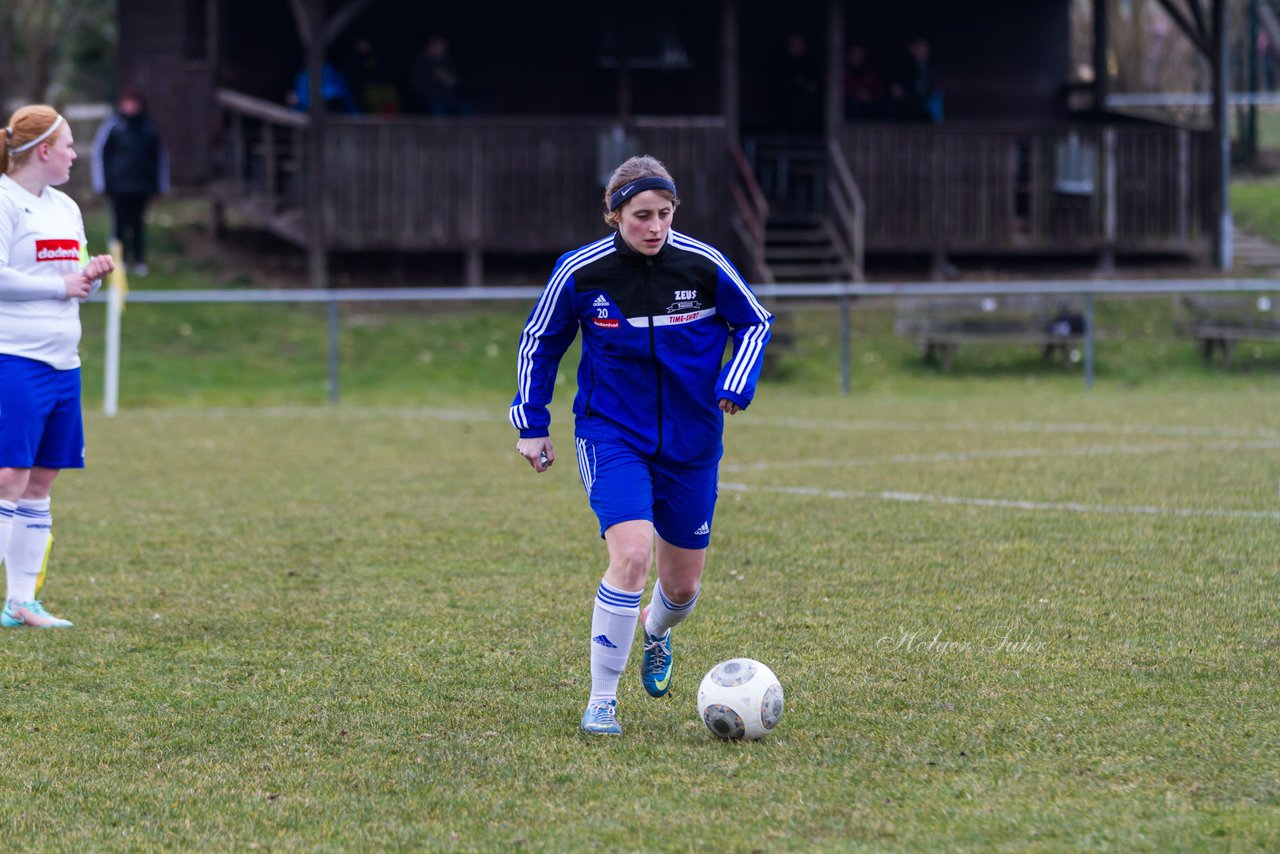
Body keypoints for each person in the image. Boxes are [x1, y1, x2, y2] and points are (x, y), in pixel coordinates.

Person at [509, 155, 773, 735]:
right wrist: (530, 423)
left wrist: (737, 379)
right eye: (641, 216)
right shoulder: (581, 272)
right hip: (611, 432)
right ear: (614, 215)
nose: (655, 227)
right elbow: (540, 342)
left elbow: (755, 321)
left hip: (692, 440)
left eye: (665, 214)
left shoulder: (703, 263)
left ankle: (656, 631)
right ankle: (602, 700)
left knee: (682, 588)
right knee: (631, 556)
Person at [0, 105, 115, 628]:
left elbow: (75, 284)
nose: (75, 154)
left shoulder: (67, 207)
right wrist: (60, 285)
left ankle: (22, 602)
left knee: (41, 481)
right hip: (14, 358)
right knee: (9, 476)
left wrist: (88, 274)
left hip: (63, 364)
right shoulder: (4, 201)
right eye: (69, 144)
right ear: (43, 150)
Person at [91, 88, 168, 277]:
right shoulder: (113, 127)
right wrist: (102, 184)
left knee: (138, 226)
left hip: (140, 188)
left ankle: (139, 261)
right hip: (118, 188)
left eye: (134, 103)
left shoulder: (149, 128)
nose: (130, 107)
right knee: (119, 226)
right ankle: (118, 262)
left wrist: (158, 185)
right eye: (127, 102)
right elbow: (100, 155)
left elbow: (159, 158)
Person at [407, 36, 472, 116]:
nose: (440, 49)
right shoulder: (421, 63)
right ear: (430, 47)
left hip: (449, 98)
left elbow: (459, 83)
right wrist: (435, 78)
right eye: (437, 46)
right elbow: (416, 85)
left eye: (442, 47)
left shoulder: (448, 63)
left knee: (467, 109)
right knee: (438, 110)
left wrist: (450, 80)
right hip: (429, 99)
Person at [843, 44, 885, 121]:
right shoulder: (842, 71)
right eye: (855, 54)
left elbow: (879, 90)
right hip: (849, 108)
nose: (858, 58)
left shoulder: (869, 72)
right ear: (848, 55)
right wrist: (855, 94)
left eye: (860, 55)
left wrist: (870, 96)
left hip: (868, 107)